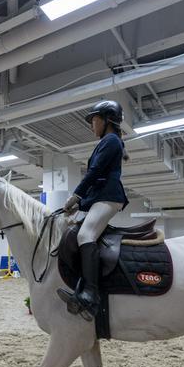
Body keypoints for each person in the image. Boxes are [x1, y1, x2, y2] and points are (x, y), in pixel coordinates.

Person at [57, 100, 129, 320]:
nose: (91, 125)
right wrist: (81, 204)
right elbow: (98, 180)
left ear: (107, 120)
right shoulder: (108, 141)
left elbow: (95, 172)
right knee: (78, 230)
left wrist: (76, 195)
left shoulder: (111, 141)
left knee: (85, 234)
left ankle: (90, 294)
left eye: (94, 120)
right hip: (102, 196)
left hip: (110, 197)